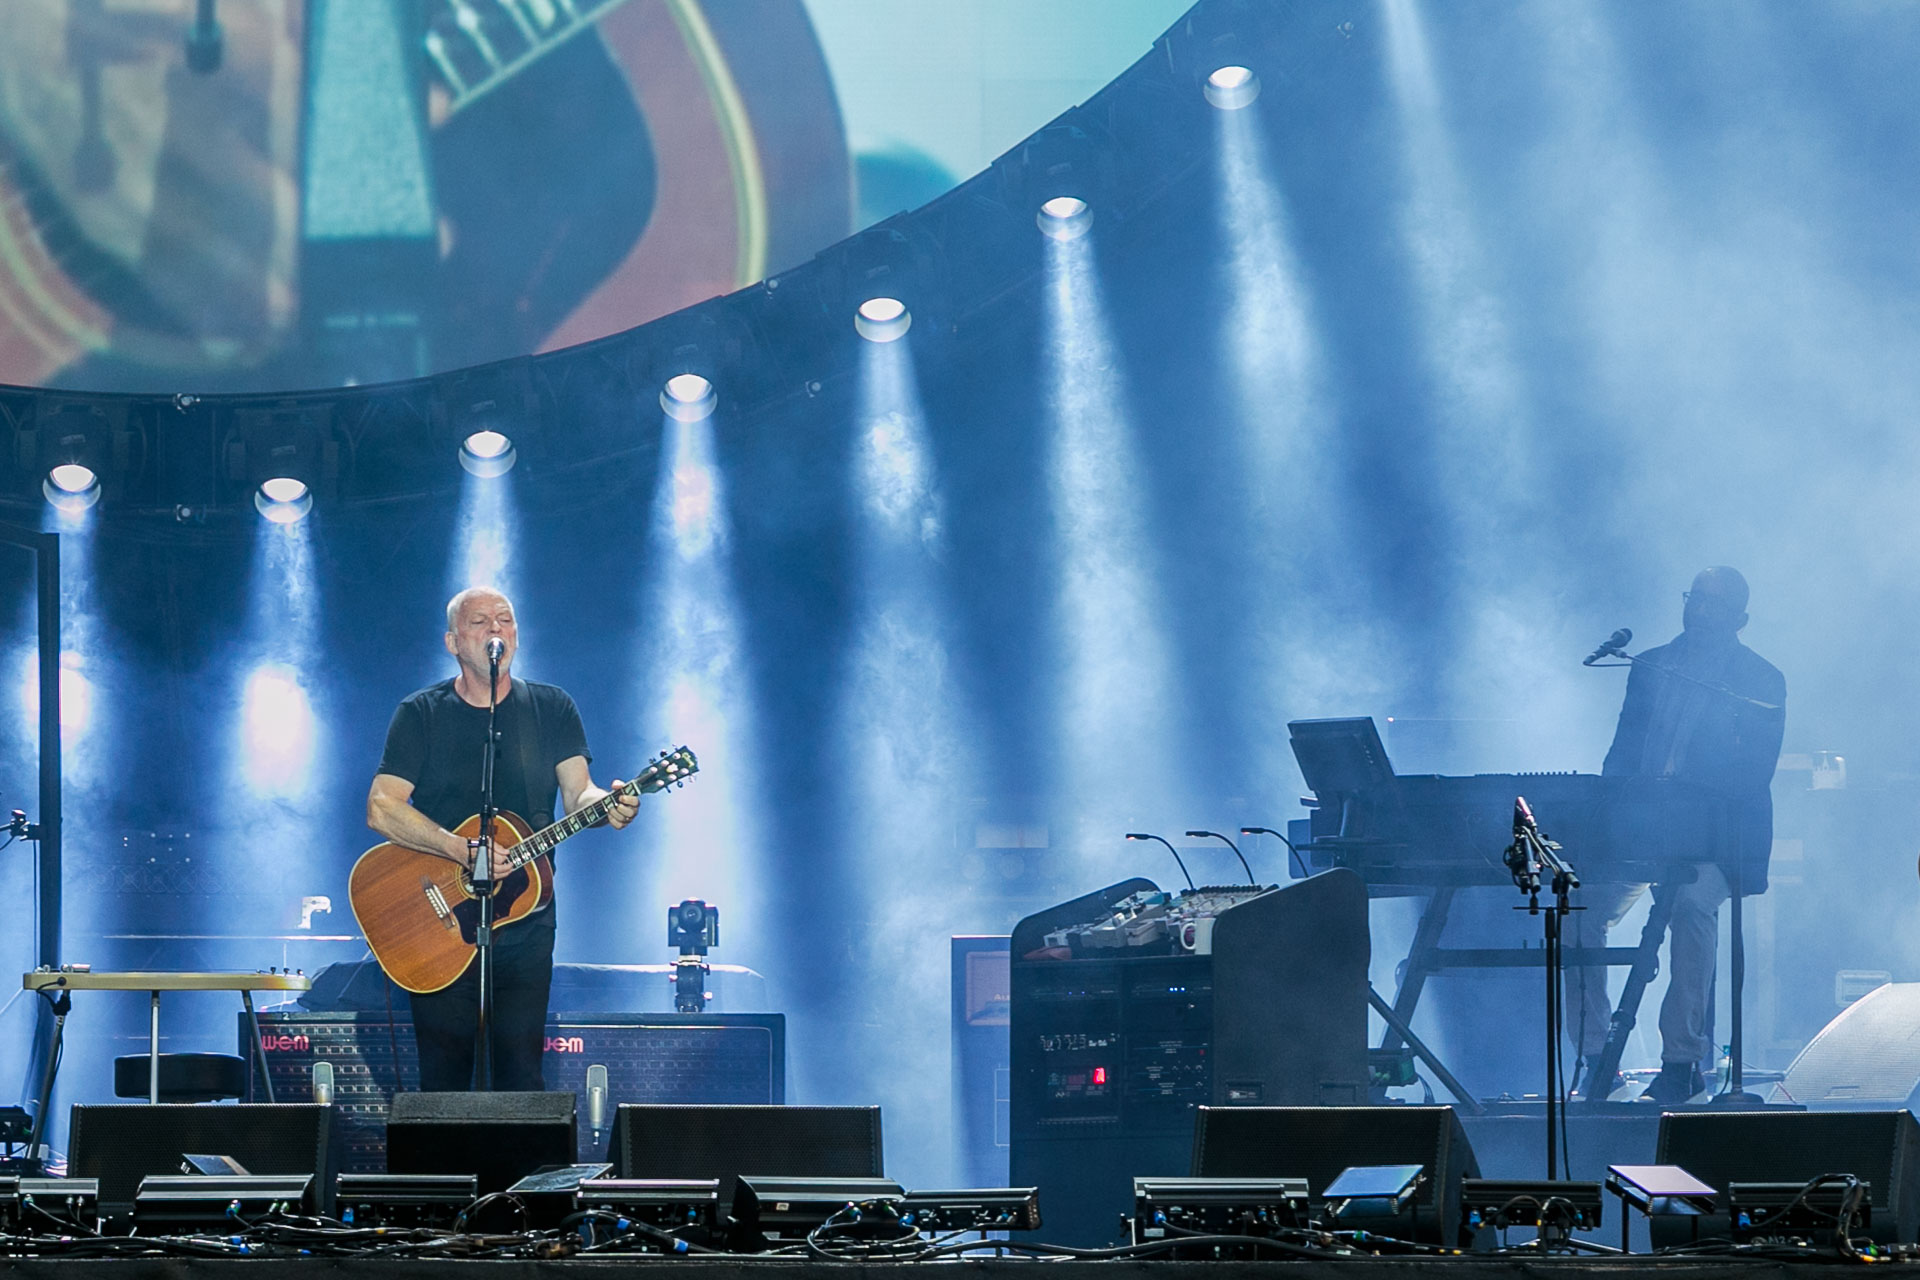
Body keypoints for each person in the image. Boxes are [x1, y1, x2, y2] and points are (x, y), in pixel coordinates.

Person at [367, 587, 638, 1090]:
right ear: (452, 641)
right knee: (443, 1084)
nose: (496, 630)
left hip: (526, 921)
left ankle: (521, 1171)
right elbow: (382, 807)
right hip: (440, 924)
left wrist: (609, 807)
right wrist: (459, 849)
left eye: (505, 620)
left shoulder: (551, 708)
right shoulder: (422, 713)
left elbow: (579, 795)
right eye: (480, 622)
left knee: (521, 1077)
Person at [1569, 566, 1786, 1103]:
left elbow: (1754, 772)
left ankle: (1682, 1062)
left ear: (1740, 619)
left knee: (1690, 904)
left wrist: (1684, 796)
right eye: (1695, 598)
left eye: (1715, 604)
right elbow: (1622, 752)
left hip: (1714, 839)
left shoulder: (1760, 679)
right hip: (1642, 833)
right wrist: (1604, 818)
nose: (1701, 610)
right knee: (1576, 910)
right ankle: (1596, 1058)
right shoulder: (1650, 665)